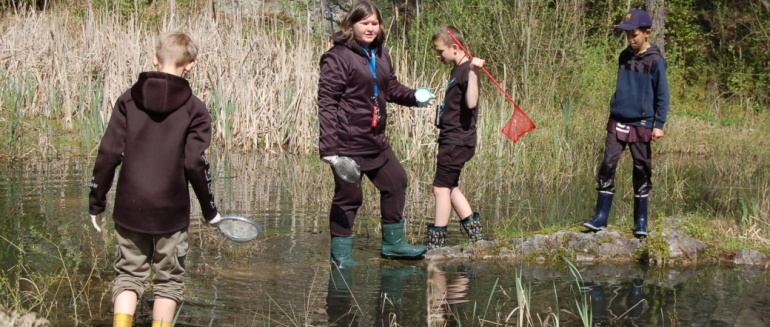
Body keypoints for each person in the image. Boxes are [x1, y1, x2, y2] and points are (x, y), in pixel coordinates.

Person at [87, 32, 221, 327]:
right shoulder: (195, 109)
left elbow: (108, 153)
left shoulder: (128, 99)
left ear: (155, 59)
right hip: (170, 212)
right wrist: (210, 211)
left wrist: (96, 202)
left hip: (129, 208)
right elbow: (195, 164)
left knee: (128, 276)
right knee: (168, 283)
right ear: (190, 65)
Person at [317, 0, 430, 268]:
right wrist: (329, 150)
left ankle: (393, 245)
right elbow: (327, 102)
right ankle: (341, 257)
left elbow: (389, 87)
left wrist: (415, 96)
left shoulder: (380, 53)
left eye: (374, 23)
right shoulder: (337, 57)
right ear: (351, 25)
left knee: (396, 181)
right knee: (349, 198)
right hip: (348, 143)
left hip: (375, 140)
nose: (370, 28)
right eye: (364, 23)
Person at [582, 9, 670, 238]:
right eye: (627, 35)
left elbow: (662, 95)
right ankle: (600, 217)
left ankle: (640, 221)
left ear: (647, 33)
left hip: (642, 123)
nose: (630, 39)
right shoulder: (624, 56)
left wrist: (658, 124)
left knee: (641, 169)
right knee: (608, 165)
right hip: (618, 120)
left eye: (634, 35)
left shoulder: (656, 61)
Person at [426, 25, 485, 250]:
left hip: (456, 141)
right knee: (451, 188)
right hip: (456, 140)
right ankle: (477, 239)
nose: (438, 56)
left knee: (440, 189)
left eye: (440, 51)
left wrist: (474, 72)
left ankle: (436, 246)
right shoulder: (457, 69)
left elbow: (471, 102)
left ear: (454, 47)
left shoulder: (467, 70)